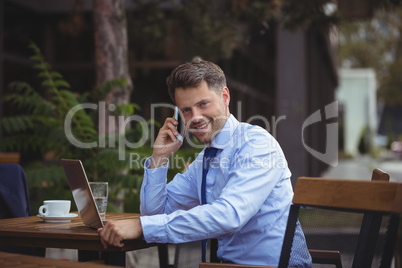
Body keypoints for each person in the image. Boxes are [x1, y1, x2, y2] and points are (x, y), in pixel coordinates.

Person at [98, 60, 312, 266]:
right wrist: (159, 157)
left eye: (203, 104)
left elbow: (230, 215)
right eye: (186, 110)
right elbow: (155, 214)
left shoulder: (256, 145)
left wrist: (141, 227)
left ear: (225, 96)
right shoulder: (204, 162)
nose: (195, 117)